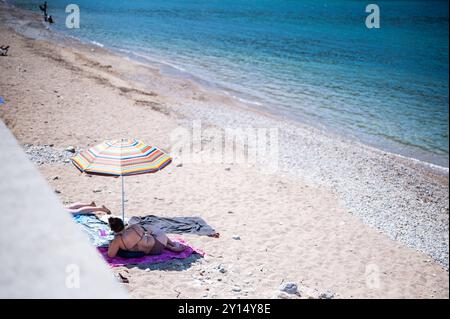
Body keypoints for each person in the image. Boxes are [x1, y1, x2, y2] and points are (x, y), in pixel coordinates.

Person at [107, 217, 186, 258]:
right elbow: (146, 232)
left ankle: (170, 245)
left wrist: (111, 243)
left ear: (112, 229)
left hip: (154, 251)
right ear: (122, 224)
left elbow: (111, 255)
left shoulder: (117, 240)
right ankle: (171, 245)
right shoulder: (135, 227)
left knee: (143, 240)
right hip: (160, 240)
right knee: (149, 230)